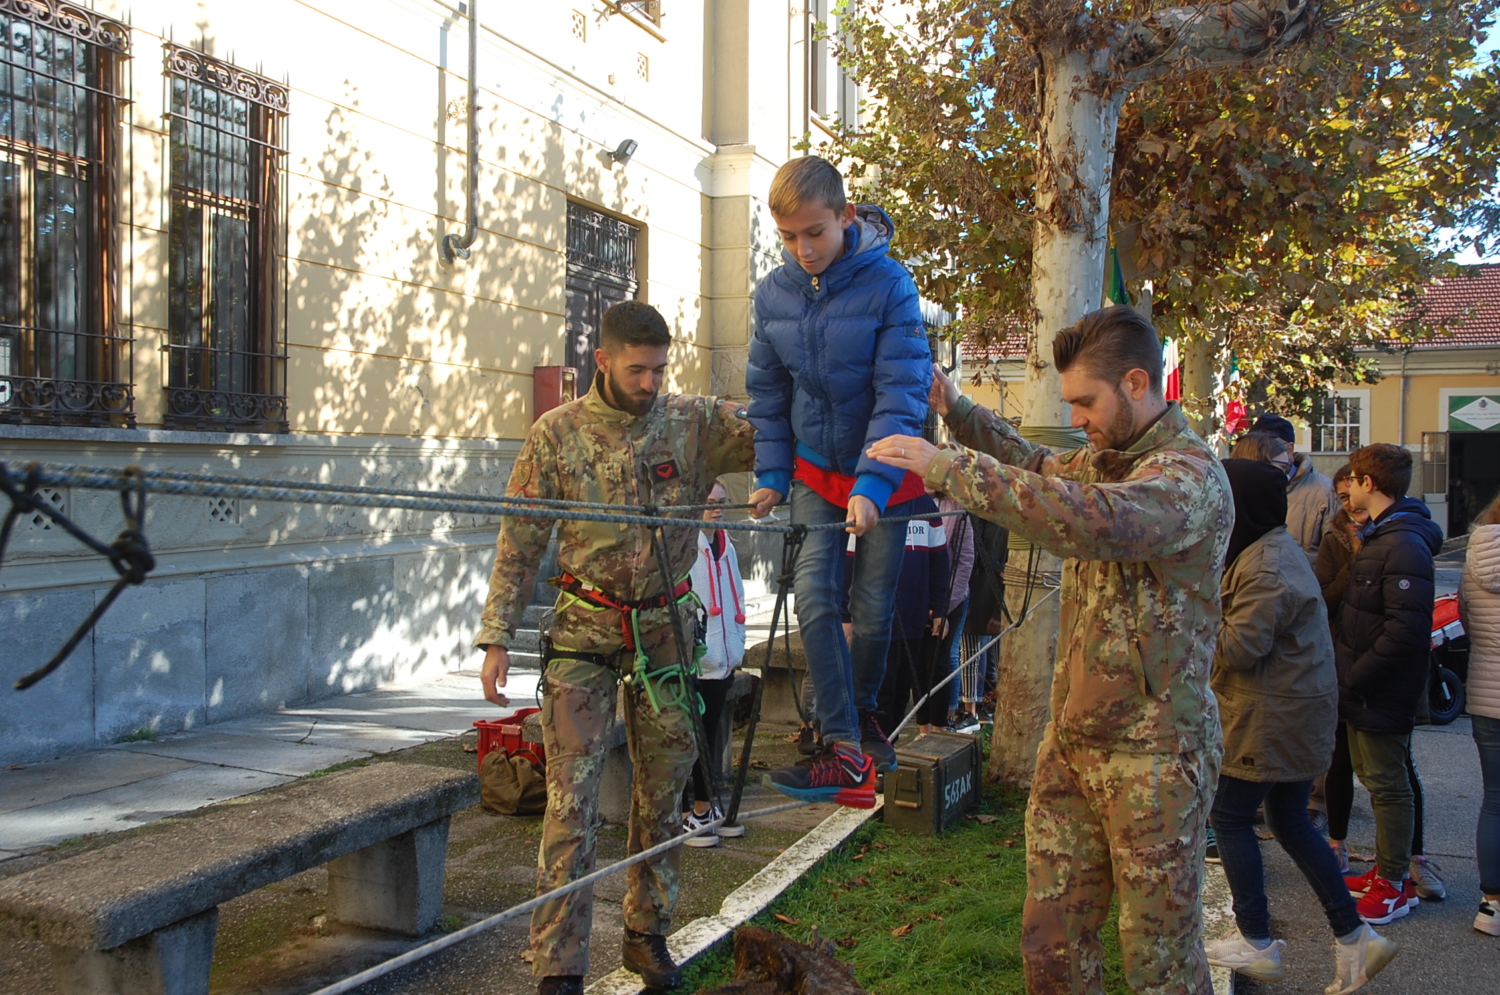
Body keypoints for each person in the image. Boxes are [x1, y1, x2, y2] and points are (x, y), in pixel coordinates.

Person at [870, 305, 1232, 995]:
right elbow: (1038, 464)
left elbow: (1088, 519)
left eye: (1086, 402)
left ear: (1136, 382)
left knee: (1161, 960)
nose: (1080, 418)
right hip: (1072, 743)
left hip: (1154, 756)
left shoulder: (1188, 481)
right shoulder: (1106, 460)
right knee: (1052, 940)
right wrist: (958, 410)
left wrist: (948, 467)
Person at [475, 301, 755, 995]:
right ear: (601, 361)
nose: (651, 381)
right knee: (570, 805)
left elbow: (776, 435)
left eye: (660, 368)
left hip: (665, 634)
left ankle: (646, 930)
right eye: (638, 369)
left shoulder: (692, 423)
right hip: (584, 635)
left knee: (664, 790)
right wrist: (495, 637)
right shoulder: (555, 436)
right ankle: (558, 967)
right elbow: (520, 542)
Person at [744, 154, 932, 807]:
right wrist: (771, 471)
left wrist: (874, 484)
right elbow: (767, 392)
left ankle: (864, 711)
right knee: (814, 600)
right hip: (814, 471)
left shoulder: (890, 285)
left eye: (815, 233)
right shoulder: (773, 293)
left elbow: (901, 390)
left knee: (874, 610)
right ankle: (844, 746)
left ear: (846, 217)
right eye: (789, 237)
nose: (803, 249)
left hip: (887, 473)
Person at [1205, 459, 1397, 992]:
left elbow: (1239, 648)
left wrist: (1187, 617)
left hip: (1272, 715)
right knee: (1289, 820)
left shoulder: (1267, 565)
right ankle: (1355, 938)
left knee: (1230, 816)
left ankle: (1257, 939)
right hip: (1286, 710)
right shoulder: (1263, 549)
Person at [1319, 466, 1445, 900]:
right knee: (1378, 781)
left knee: (1390, 784)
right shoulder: (1381, 536)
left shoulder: (1402, 542)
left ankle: (1394, 883)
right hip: (1361, 685)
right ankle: (1387, 874)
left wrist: (1355, 676)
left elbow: (1405, 631)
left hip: (1378, 687)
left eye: (1351, 482)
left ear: (1368, 482)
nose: (1347, 491)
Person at [845, 491, 950, 736]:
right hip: (873, 621)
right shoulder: (868, 499)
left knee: (902, 691)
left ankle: (887, 745)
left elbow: (939, 562)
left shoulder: (925, 505)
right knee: (879, 690)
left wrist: (940, 609)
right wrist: (845, 614)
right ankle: (869, 750)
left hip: (914, 617)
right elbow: (848, 564)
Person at [682, 479, 749, 848]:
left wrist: (737, 643)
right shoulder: (688, 545)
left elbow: (736, 592)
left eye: (721, 501)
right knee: (693, 738)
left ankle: (705, 807)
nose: (717, 508)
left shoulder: (726, 546)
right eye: (709, 502)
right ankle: (693, 811)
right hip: (697, 659)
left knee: (710, 735)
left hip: (723, 658)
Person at [1460, 491, 1500, 935]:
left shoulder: (1478, 555)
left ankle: (1492, 904)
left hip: (1488, 694)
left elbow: (1469, 622)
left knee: (1494, 799)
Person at [1248, 413, 1339, 563]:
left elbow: (1333, 557)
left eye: (1270, 446)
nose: (1261, 451)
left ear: (1289, 450)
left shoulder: (1325, 491)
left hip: (1303, 583)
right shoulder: (1244, 486)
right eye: (1255, 444)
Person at [934, 493, 975, 728]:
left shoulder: (956, 507)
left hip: (953, 595)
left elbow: (965, 558)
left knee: (948, 656)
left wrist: (946, 603)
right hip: (922, 598)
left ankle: (949, 716)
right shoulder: (910, 499)